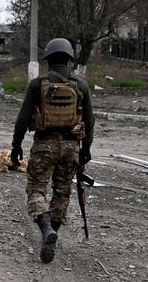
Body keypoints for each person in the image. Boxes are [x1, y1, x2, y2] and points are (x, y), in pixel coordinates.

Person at [10, 38, 94, 263]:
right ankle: (52, 231)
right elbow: (90, 121)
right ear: (69, 60)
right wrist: (86, 150)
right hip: (70, 148)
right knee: (62, 192)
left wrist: (15, 145)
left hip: (44, 146)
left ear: (48, 60)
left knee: (36, 189)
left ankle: (46, 230)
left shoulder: (37, 84)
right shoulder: (81, 86)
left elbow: (22, 119)